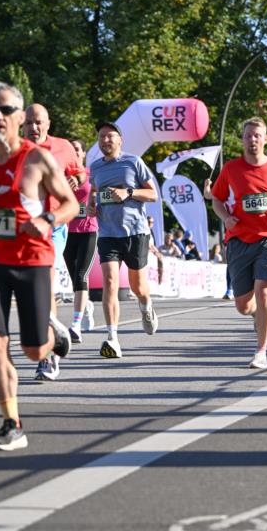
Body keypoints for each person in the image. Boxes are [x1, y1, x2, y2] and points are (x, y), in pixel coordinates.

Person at [0, 83, 77, 448]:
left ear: (19, 116)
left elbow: (71, 204)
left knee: (34, 350)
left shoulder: (37, 159)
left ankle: (53, 334)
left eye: (5, 110)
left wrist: (49, 219)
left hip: (33, 259)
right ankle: (11, 422)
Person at [210, 117, 267, 370]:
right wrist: (226, 217)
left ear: (265, 139)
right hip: (238, 240)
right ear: (243, 139)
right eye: (248, 135)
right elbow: (216, 199)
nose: (252, 139)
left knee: (266, 290)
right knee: (243, 305)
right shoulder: (231, 169)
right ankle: (258, 315)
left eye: (257, 135)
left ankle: (261, 351)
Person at [22, 103, 85, 379]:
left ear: (48, 123)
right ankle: (50, 325)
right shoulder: (15, 149)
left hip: (55, 224)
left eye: (38, 122)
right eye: (28, 123)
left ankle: (48, 357)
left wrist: (74, 182)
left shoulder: (63, 147)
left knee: (43, 282)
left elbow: (80, 174)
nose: (33, 128)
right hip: (21, 226)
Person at [88, 121, 159, 358]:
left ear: (120, 140)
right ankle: (112, 338)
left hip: (135, 232)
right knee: (110, 281)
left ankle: (146, 306)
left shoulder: (133, 162)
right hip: (108, 233)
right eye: (101, 137)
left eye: (110, 136)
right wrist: (90, 206)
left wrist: (128, 192)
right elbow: (93, 191)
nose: (106, 140)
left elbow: (152, 194)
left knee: (138, 287)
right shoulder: (96, 167)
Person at [63, 137, 97, 343]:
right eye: (71, 149)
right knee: (73, 276)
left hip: (88, 230)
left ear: (83, 154)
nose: (74, 152)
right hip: (67, 232)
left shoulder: (92, 175)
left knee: (81, 275)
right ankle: (87, 306)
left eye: (77, 149)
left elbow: (100, 196)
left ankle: (75, 325)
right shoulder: (61, 176)